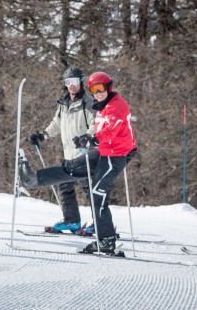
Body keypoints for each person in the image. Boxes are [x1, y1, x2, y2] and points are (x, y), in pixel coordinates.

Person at [20, 71, 137, 254]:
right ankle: (33, 179)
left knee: (96, 193)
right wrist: (45, 135)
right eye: (94, 89)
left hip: (115, 154)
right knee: (70, 169)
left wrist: (92, 139)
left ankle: (105, 239)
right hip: (100, 150)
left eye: (101, 88)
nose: (98, 92)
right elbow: (57, 124)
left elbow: (110, 130)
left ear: (109, 88)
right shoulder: (97, 105)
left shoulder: (114, 106)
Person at [27, 67, 95, 234]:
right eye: (68, 82)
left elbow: (96, 124)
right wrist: (43, 135)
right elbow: (56, 124)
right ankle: (72, 221)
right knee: (64, 186)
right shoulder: (64, 103)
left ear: (81, 82)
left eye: (74, 82)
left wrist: (87, 136)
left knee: (90, 190)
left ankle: (100, 223)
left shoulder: (88, 102)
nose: (71, 86)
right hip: (69, 154)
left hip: (85, 154)